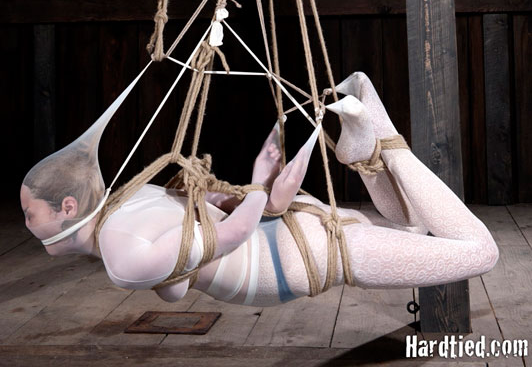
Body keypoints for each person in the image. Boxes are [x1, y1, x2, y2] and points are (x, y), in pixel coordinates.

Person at [20, 72, 499, 306]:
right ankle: (364, 157)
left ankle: (387, 145)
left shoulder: (120, 258)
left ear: (67, 206)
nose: (27, 225)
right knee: (410, 225)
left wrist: (257, 182)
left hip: (294, 259)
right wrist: (263, 193)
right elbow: (216, 214)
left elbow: (229, 236)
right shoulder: (133, 198)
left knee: (480, 253)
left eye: (30, 214)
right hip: (289, 230)